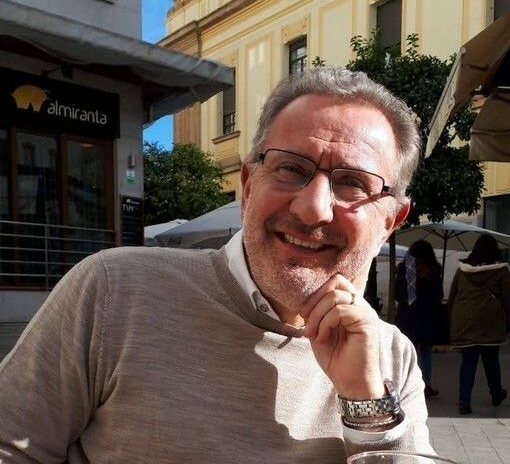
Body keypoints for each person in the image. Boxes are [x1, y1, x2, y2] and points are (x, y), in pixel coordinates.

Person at [0, 68, 434, 462]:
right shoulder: (115, 290)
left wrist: (366, 401)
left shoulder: (391, 356)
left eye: (353, 183)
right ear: (248, 185)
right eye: (290, 168)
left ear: (390, 222)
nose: (312, 208)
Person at [449, 233, 510, 415]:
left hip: (465, 319)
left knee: (468, 361)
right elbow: (508, 299)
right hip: (490, 321)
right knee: (491, 360)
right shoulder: (501, 270)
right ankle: (496, 393)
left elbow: (453, 296)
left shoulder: (463, 270)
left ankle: (464, 401)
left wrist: (454, 318)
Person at [395, 240, 444, 399]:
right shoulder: (433, 269)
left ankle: (407, 386)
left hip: (407, 316)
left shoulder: (405, 268)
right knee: (425, 353)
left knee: (408, 352)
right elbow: (438, 295)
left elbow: (398, 294)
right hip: (426, 316)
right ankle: (426, 385)